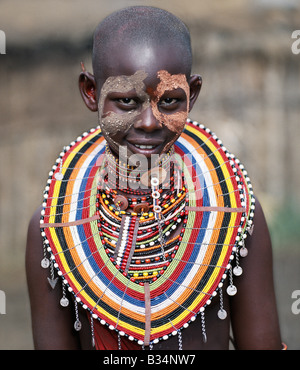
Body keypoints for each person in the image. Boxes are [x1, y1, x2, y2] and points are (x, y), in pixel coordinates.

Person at [26, 6, 284, 350]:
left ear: (192, 95)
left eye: (170, 101)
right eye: (126, 101)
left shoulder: (233, 216)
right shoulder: (55, 231)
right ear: (91, 92)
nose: (149, 122)